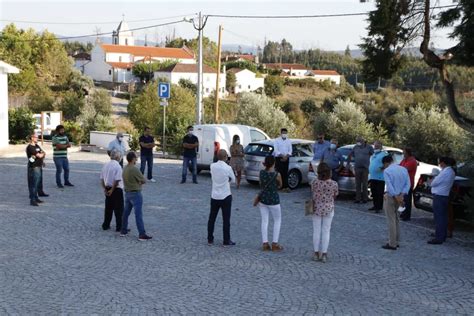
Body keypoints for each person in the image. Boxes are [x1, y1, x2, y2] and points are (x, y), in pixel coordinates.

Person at [121, 152, 152, 241]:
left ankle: (123, 230)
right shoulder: (134, 169)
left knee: (126, 213)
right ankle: (141, 234)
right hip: (135, 193)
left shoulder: (125, 168)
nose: (137, 159)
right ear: (133, 159)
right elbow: (143, 180)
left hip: (127, 193)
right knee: (138, 215)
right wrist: (139, 182)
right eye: (136, 158)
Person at [311, 162, 339, 262]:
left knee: (316, 231)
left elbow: (312, 193)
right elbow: (335, 196)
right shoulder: (334, 184)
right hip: (329, 208)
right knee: (326, 231)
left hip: (316, 208)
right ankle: (324, 254)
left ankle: (315, 253)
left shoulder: (314, 182)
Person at [381, 155, 410, 250]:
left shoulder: (387, 171)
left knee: (391, 220)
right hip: (401, 196)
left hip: (391, 196)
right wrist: (402, 195)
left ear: (386, 163)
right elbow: (408, 184)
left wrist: (395, 196)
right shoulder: (403, 169)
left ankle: (392, 243)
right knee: (397, 219)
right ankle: (396, 241)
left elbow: (389, 185)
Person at [208, 149, 236, 247]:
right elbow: (233, 179)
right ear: (226, 157)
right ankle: (226, 240)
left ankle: (210, 239)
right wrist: (227, 180)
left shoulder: (212, 166)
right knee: (226, 220)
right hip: (225, 195)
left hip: (214, 195)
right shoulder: (228, 168)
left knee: (212, 218)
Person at [427, 157, 456, 245]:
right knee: (443, 217)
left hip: (439, 196)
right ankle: (441, 234)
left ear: (443, 163)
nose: (439, 165)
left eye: (440, 163)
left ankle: (439, 237)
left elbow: (434, 183)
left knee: (439, 217)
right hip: (444, 195)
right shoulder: (451, 171)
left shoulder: (445, 172)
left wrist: (431, 181)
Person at [258, 155, 284, 252]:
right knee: (277, 220)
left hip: (263, 199)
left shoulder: (261, 173)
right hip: (274, 200)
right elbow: (281, 186)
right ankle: (274, 243)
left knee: (264, 221)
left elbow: (260, 184)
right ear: (273, 163)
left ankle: (265, 243)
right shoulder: (277, 174)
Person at [100, 150, 124, 232]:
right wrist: (112, 190)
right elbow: (117, 180)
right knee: (119, 209)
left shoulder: (105, 165)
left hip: (107, 187)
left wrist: (105, 189)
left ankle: (106, 225)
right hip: (116, 189)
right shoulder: (118, 166)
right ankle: (119, 226)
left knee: (108, 208)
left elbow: (102, 179)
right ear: (118, 157)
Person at [347, 137, 373, 203]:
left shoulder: (369, 147)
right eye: (357, 141)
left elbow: (372, 154)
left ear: (363, 141)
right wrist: (348, 163)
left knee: (365, 184)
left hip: (365, 168)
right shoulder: (356, 147)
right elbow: (350, 155)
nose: (358, 142)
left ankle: (365, 199)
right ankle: (357, 198)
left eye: (359, 141)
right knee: (357, 184)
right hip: (357, 168)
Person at [368, 141, 389, 213]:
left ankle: (379, 207)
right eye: (375, 146)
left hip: (380, 177)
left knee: (379, 193)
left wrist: (382, 168)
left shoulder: (384, 154)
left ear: (381, 146)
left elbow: (388, 163)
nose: (375, 147)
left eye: (377, 146)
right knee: (373, 192)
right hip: (373, 176)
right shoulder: (374, 154)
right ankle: (375, 205)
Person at [26, 133, 46, 206]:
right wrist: (41, 155)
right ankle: (32, 200)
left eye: (38, 137)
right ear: (32, 138)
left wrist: (42, 157)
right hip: (33, 167)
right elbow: (40, 155)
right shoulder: (30, 147)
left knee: (37, 184)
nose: (37, 138)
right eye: (36, 137)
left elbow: (43, 153)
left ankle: (36, 197)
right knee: (33, 184)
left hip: (39, 166)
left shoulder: (37, 146)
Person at [399, 147, 417, 221]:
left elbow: (403, 169)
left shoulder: (412, 161)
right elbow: (399, 167)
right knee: (403, 199)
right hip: (402, 182)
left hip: (408, 183)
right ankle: (403, 213)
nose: (403, 154)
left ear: (408, 153)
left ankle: (406, 215)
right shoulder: (404, 160)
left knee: (407, 200)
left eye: (404, 152)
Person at [273, 128, 292, 192]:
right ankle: (279, 186)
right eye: (283, 133)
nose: (284, 134)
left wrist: (286, 157)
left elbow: (290, 151)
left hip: (286, 158)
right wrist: (282, 156)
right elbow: (276, 150)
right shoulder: (277, 140)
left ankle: (285, 187)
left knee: (285, 172)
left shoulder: (289, 141)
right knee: (279, 173)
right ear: (281, 133)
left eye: (285, 133)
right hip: (279, 158)